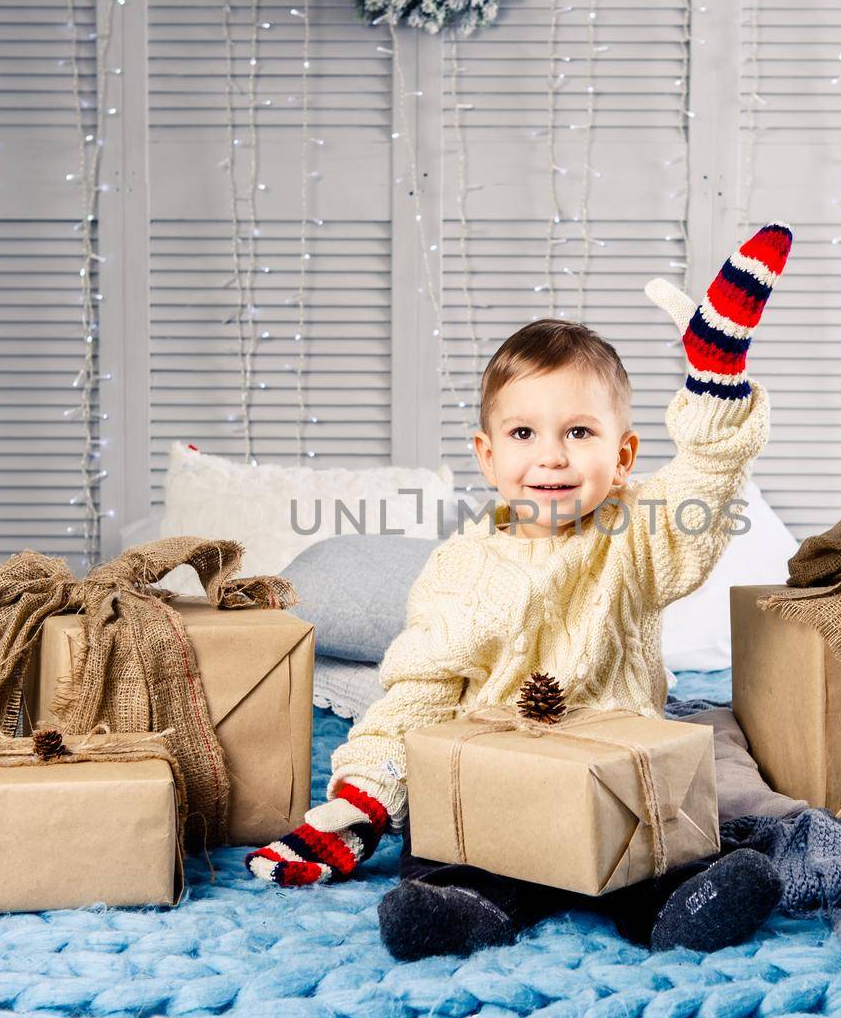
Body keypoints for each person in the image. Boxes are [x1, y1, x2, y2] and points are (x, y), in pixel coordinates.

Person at [249, 225, 807, 959]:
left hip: (614, 787)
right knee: (449, 844)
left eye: (579, 431)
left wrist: (715, 386)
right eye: (522, 432)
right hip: (499, 787)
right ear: (487, 455)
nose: (550, 455)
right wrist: (360, 800)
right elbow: (415, 693)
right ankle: (464, 911)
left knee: (664, 849)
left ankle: (681, 908)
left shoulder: (634, 535)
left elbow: (703, 483)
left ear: (623, 454)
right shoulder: (460, 567)